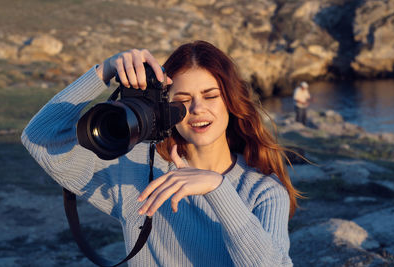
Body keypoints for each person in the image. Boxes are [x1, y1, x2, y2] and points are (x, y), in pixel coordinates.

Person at [22, 40, 301, 266]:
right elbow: (40, 138)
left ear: (231, 101)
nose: (197, 109)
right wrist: (104, 72)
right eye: (181, 101)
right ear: (167, 111)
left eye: (210, 95)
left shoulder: (264, 190)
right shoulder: (141, 167)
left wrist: (217, 188)